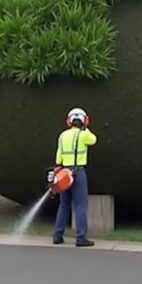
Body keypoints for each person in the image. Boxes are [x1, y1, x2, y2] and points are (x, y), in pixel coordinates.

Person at [53, 106, 97, 247]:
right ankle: (81, 237)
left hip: (64, 173)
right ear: (84, 121)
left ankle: (57, 235)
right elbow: (93, 140)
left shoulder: (62, 135)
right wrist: (86, 128)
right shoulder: (84, 135)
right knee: (81, 205)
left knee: (64, 205)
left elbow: (58, 156)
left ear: (69, 122)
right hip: (78, 173)